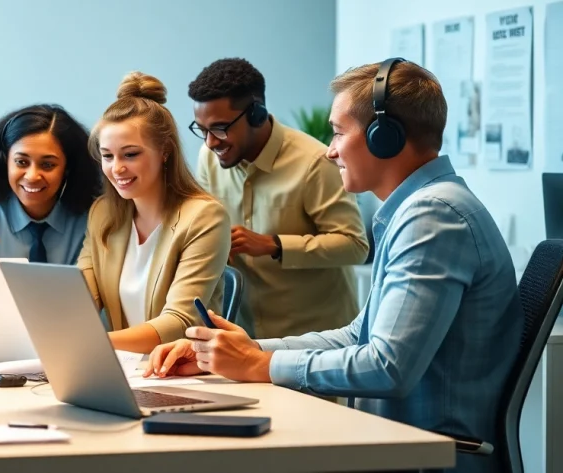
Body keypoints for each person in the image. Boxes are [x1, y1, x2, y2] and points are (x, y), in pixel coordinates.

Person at [147, 59, 522, 473]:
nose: (330, 149)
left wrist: (260, 365)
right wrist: (247, 351)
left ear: (385, 137)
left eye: (339, 132)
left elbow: (387, 366)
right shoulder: (420, 210)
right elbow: (358, 336)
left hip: (428, 457)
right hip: (400, 445)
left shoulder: (432, 217)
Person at [188, 58, 367, 338]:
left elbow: (355, 246)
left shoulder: (315, 163)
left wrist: (273, 245)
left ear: (256, 115)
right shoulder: (209, 159)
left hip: (316, 339)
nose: (210, 142)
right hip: (248, 335)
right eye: (202, 130)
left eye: (220, 128)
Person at [79, 72, 230, 354]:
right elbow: (80, 297)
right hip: (126, 368)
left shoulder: (205, 217)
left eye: (130, 154)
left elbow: (179, 321)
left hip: (186, 369)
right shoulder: (102, 213)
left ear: (164, 151)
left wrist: (93, 343)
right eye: (107, 156)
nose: (117, 168)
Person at [0, 104, 101, 263]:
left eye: (47, 165)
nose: (32, 176)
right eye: (21, 162)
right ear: (5, 160)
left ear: (68, 167)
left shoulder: (94, 215)